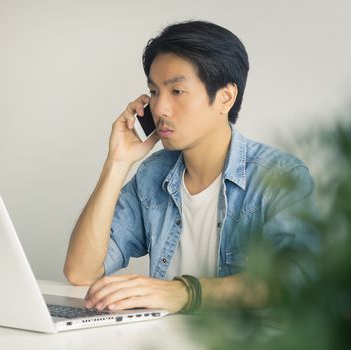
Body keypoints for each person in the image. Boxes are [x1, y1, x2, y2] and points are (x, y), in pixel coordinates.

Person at [64, 20, 318, 314]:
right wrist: (118, 162)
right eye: (155, 92)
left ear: (225, 97)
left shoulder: (281, 177)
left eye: (177, 91)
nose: (160, 109)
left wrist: (183, 293)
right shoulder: (153, 174)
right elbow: (81, 272)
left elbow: (293, 282)